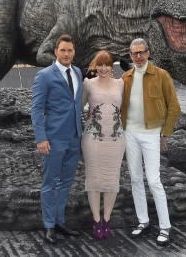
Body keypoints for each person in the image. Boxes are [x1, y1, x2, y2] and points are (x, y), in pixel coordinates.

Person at [120, 38, 181, 247]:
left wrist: (165, 134)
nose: (138, 57)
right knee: (136, 179)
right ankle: (143, 221)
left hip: (151, 134)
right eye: (134, 53)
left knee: (154, 180)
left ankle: (165, 226)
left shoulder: (161, 75)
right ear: (129, 55)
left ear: (148, 52)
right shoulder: (126, 77)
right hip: (130, 134)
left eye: (141, 52)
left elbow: (174, 107)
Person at [30, 34, 84, 245]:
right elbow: (36, 109)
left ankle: (60, 222)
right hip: (52, 139)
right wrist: (40, 138)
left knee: (66, 182)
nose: (66, 54)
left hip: (74, 137)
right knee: (50, 183)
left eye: (70, 50)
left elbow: (76, 104)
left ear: (74, 52)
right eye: (63, 50)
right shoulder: (44, 76)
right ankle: (49, 226)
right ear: (55, 52)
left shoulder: (78, 72)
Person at [81, 50, 126, 240]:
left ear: (111, 66)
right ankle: (96, 219)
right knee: (94, 180)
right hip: (93, 139)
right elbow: (80, 106)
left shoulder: (121, 83)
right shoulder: (88, 83)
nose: (103, 68)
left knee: (111, 180)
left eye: (107, 64)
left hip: (116, 140)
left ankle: (107, 219)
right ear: (95, 65)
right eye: (100, 64)